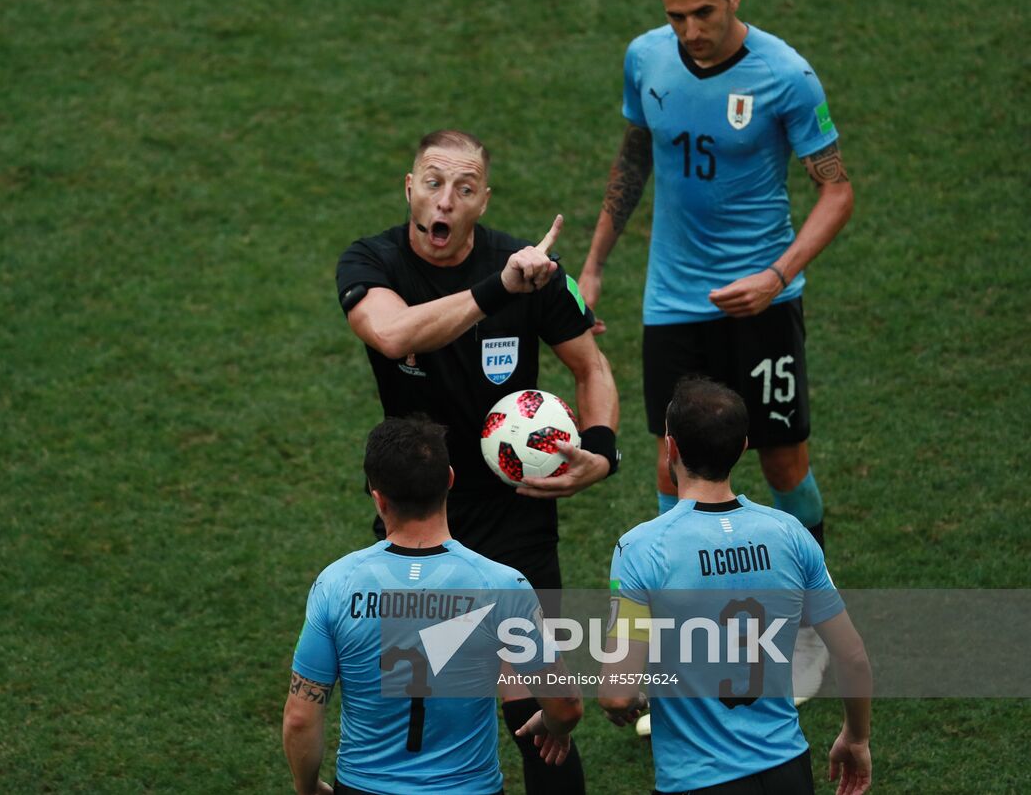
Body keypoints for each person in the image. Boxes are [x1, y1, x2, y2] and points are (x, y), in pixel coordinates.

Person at [577, 0, 853, 694]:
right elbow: (637, 154)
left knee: (781, 463)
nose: (690, 32)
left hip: (761, 304)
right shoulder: (647, 58)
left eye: (703, 12)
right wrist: (595, 266)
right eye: (676, 16)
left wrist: (777, 275)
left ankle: (803, 628)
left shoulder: (785, 76)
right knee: (673, 462)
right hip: (673, 301)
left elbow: (837, 189)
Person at [335, 129, 620, 791]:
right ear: (410, 188)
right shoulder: (370, 262)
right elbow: (394, 332)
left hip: (516, 515)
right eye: (433, 182)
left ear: (482, 201)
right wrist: (499, 288)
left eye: (464, 188)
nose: (446, 200)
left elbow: (593, 365)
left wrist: (601, 451)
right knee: (425, 700)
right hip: (420, 511)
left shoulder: (532, 269)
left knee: (544, 711)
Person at [592, 377, 871, 794]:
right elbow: (852, 656)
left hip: (697, 780)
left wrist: (632, 699)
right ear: (742, 448)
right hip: (788, 773)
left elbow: (616, 694)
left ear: (672, 448)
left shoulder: (641, 549)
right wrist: (856, 737)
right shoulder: (791, 533)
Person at [283, 416, 581, 795]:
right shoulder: (503, 585)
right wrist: (555, 725)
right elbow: (566, 704)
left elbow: (299, 718)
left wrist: (308, 787)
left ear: (378, 498)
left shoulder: (336, 584)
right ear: (451, 480)